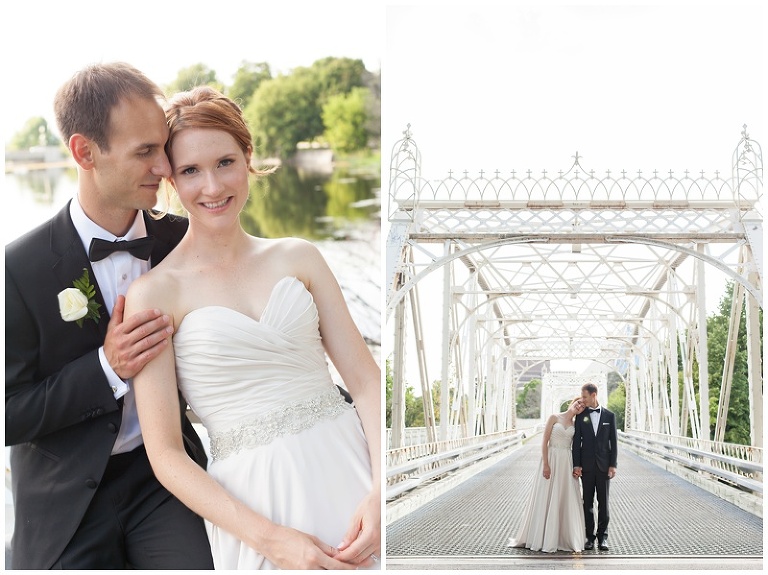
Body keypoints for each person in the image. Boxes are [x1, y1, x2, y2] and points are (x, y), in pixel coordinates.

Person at [123, 85, 381, 570]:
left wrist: (381, 492)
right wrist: (270, 539)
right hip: (254, 502)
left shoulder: (300, 256)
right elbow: (166, 456)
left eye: (224, 162)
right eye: (190, 171)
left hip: (351, 470)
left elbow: (365, 382)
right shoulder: (155, 295)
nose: (213, 187)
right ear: (171, 181)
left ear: (248, 157)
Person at [5, 63, 214, 569]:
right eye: (144, 152)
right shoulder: (17, 268)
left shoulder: (187, 242)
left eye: (162, 147)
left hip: (167, 481)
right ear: (84, 152)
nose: (164, 168)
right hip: (65, 502)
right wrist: (106, 367)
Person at [508, 397, 587, 552]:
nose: (579, 406)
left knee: (565, 496)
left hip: (566, 462)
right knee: (546, 495)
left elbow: (578, 446)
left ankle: (563, 537)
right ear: (572, 402)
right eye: (578, 403)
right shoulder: (554, 417)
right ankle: (543, 536)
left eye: (583, 407)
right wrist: (546, 464)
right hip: (551, 458)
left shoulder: (576, 424)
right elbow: (544, 442)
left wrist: (579, 466)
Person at [572, 383, 618, 551]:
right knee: (587, 504)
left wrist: (613, 465)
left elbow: (614, 442)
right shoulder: (581, 416)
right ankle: (589, 538)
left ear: (594, 395)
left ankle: (603, 538)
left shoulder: (609, 416)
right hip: (587, 466)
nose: (582, 400)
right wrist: (576, 464)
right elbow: (577, 442)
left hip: (604, 466)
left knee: (604, 504)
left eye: (584, 396)